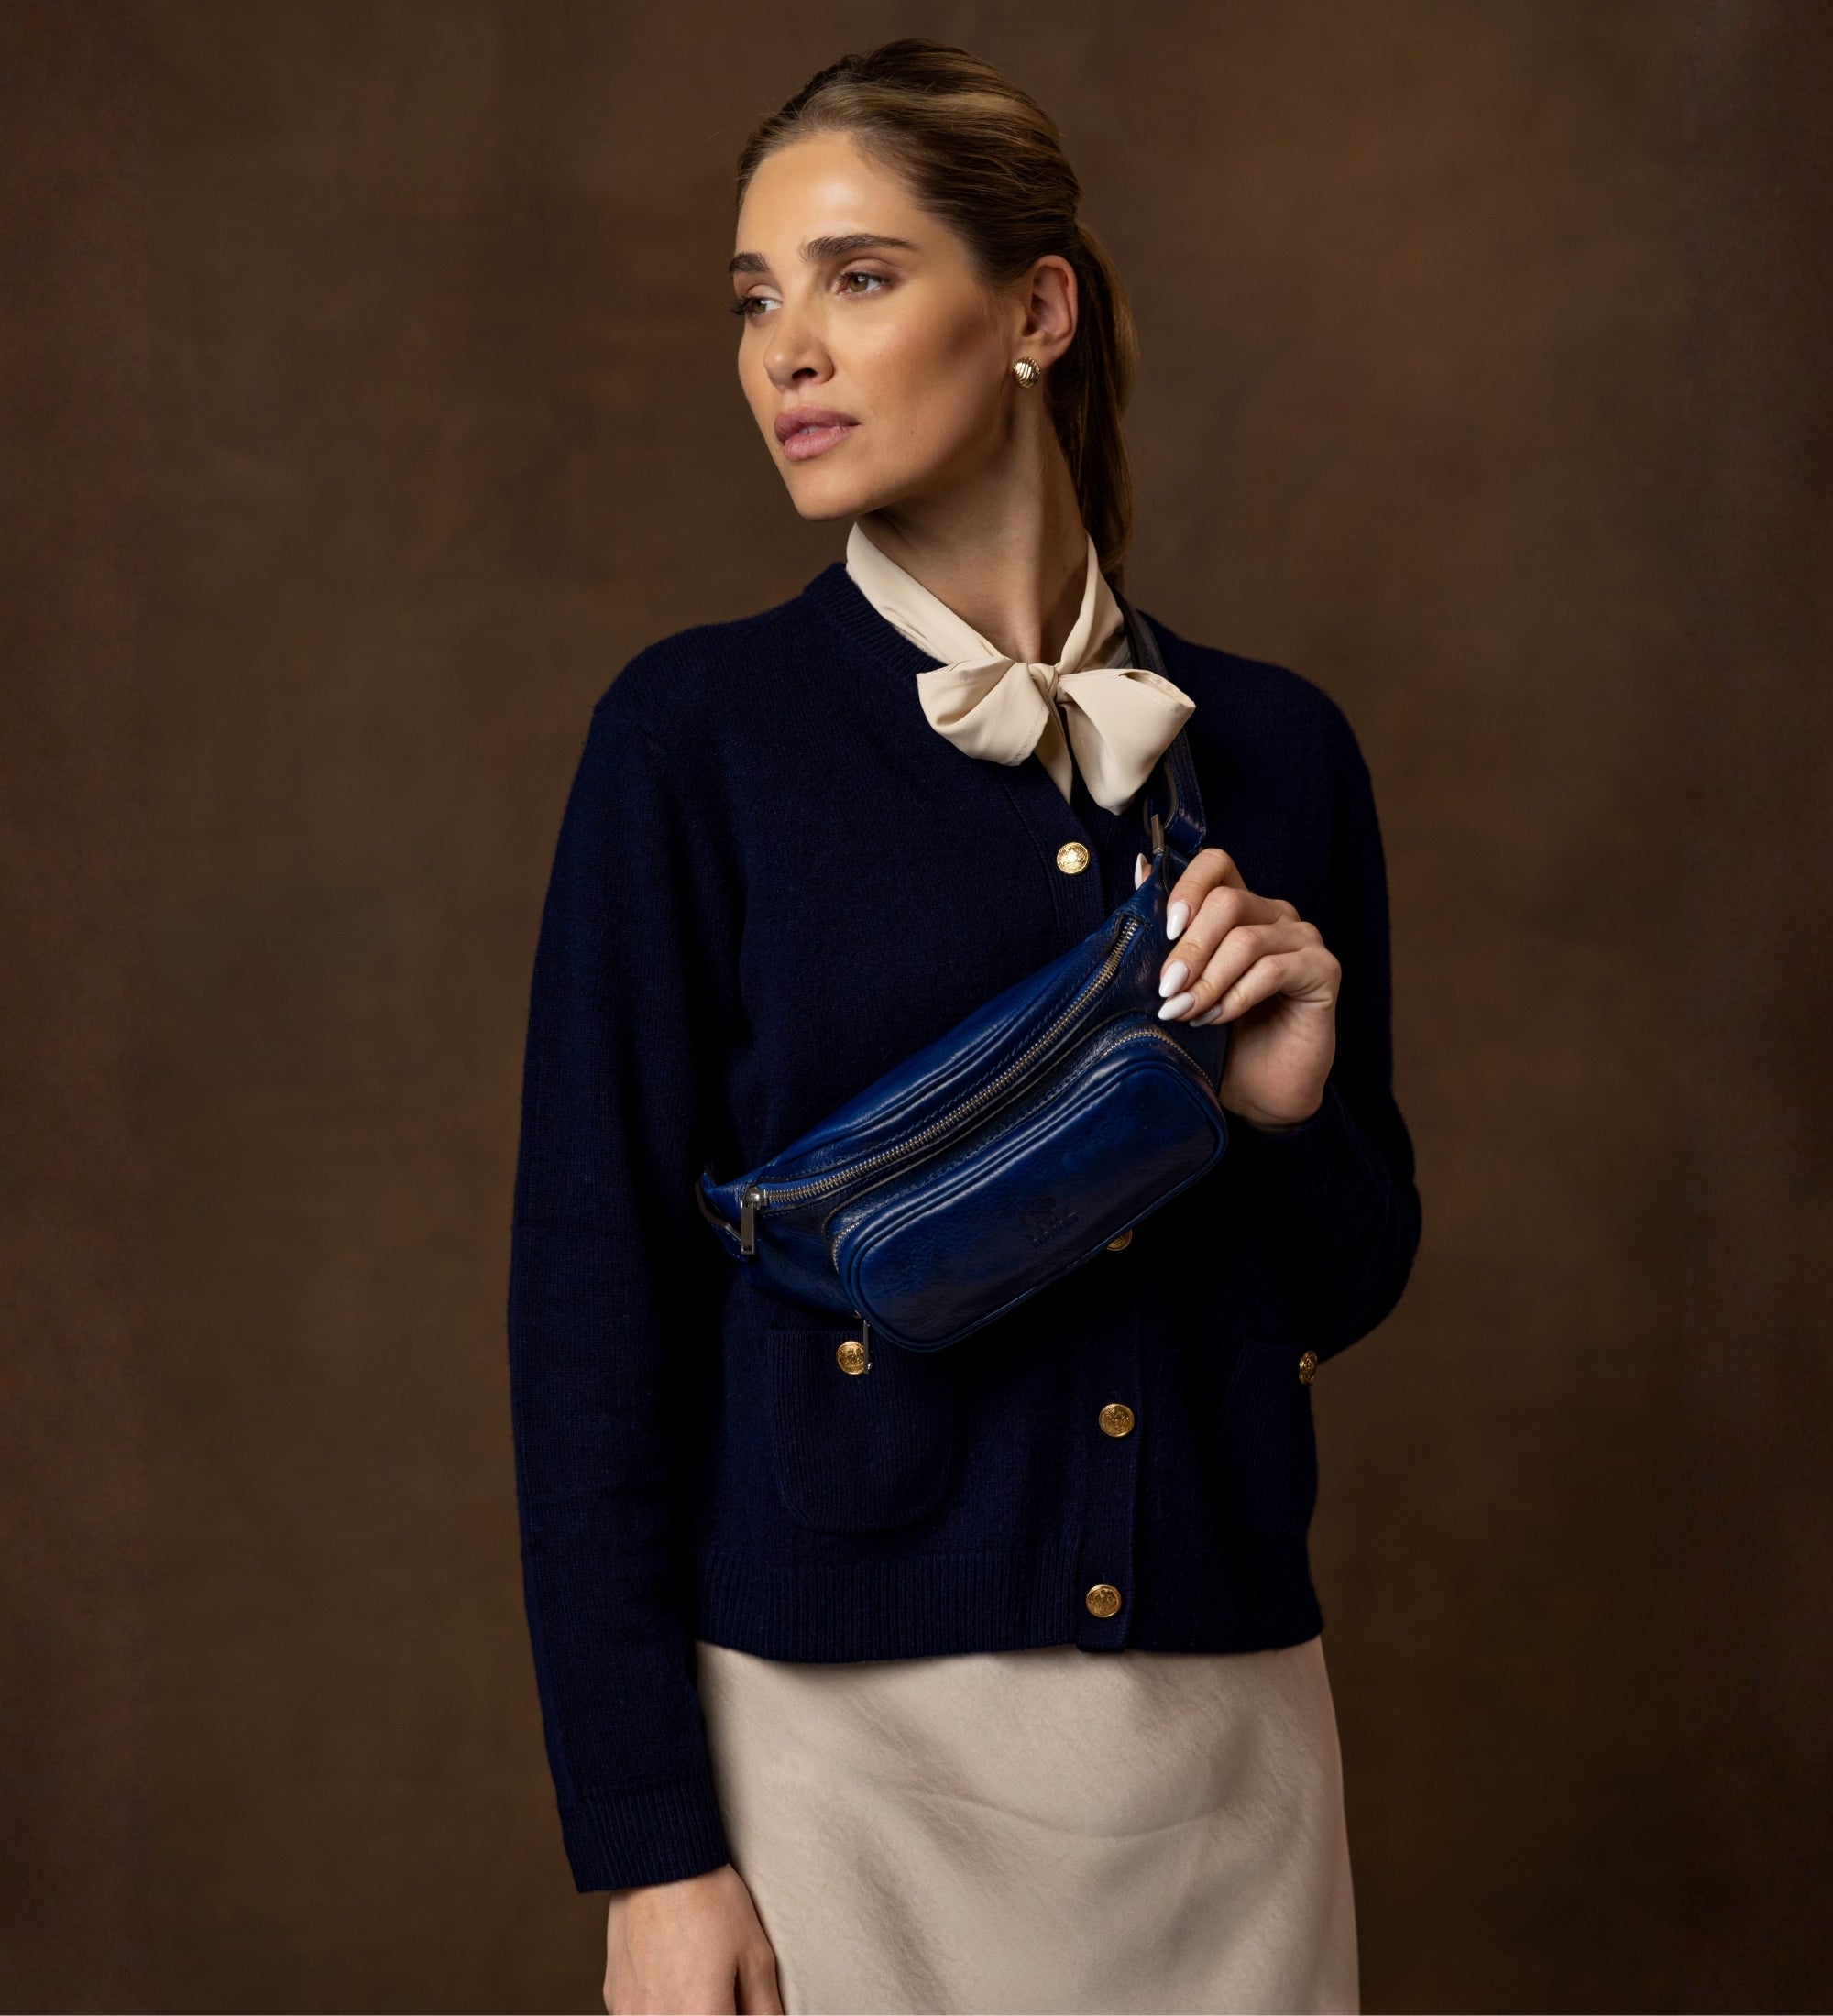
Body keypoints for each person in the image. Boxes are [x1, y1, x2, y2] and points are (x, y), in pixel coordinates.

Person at [507, 38, 1421, 2016]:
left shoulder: (1280, 749)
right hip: (837, 1763)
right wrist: (649, 1845)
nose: (786, 350)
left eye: (857, 277)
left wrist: (1284, 1114)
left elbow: (1348, 1284)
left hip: (1226, 1752)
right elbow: (589, 1323)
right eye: (754, 298)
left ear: (1036, 311)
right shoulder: (696, 740)